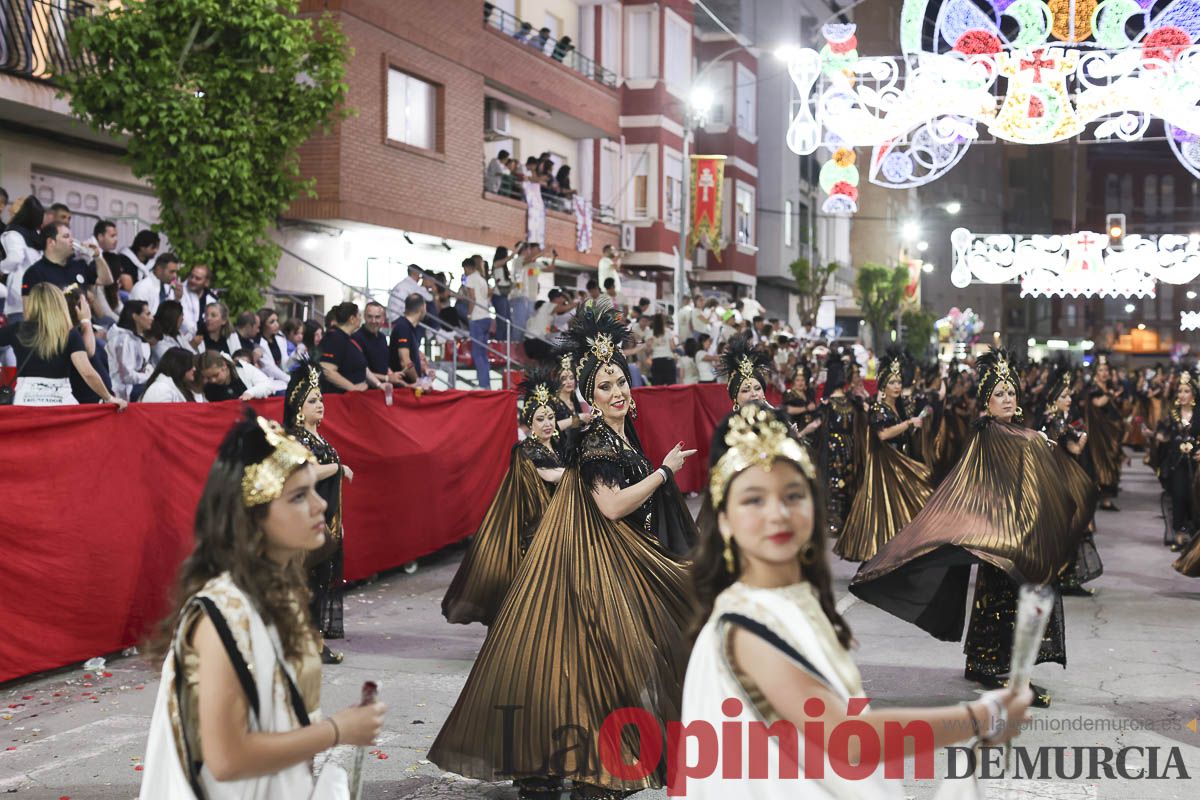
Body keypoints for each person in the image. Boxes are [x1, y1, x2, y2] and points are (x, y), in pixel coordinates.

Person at [680, 403, 1032, 799]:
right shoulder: (748, 627)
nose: (777, 514)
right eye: (753, 500)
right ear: (724, 518)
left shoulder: (786, 601)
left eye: (792, 494)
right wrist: (982, 716)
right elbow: (849, 740)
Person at [429, 307, 699, 799]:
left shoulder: (618, 436)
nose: (617, 391)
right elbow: (612, 506)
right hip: (597, 568)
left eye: (620, 380)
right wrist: (664, 471)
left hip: (615, 563)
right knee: (596, 664)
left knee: (602, 666)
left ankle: (584, 758)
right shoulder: (598, 442)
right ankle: (592, 764)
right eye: (604, 386)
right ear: (589, 398)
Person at [138, 412, 384, 797]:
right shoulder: (221, 614)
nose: (320, 506)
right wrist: (338, 731)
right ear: (252, 518)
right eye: (299, 496)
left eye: (313, 491)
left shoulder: (279, 591)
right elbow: (227, 759)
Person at [851, 347, 1095, 708]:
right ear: (987, 402)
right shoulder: (1011, 438)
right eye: (1000, 394)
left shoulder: (1006, 434)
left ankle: (982, 663)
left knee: (995, 603)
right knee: (1019, 608)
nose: (1008, 398)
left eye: (1011, 392)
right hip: (1007, 541)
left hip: (1004, 538)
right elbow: (972, 488)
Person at [442, 366, 566, 626]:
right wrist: (577, 474)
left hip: (555, 524)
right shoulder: (526, 450)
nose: (547, 424)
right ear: (529, 422)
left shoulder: (555, 448)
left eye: (551, 417)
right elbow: (549, 477)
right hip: (535, 529)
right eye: (541, 418)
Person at [284, 362, 355, 665]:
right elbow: (306, 472)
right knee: (307, 582)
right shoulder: (298, 437)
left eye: (321, 399)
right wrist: (339, 467)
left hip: (327, 521)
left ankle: (313, 641)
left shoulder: (318, 437)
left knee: (320, 581)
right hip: (305, 523)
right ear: (298, 407)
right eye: (313, 400)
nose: (320, 405)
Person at [835, 349, 933, 562]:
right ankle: (882, 555)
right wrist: (907, 424)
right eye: (892, 382)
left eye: (899, 381)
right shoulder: (879, 408)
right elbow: (883, 434)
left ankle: (899, 553)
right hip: (887, 469)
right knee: (886, 512)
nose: (897, 386)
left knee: (902, 510)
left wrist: (913, 425)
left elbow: (899, 432)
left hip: (900, 465)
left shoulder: (897, 408)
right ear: (883, 387)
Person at [0, 283, 125, 408]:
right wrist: (108, 397)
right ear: (59, 303)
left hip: (24, 401)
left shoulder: (16, 329)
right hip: (61, 402)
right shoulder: (69, 334)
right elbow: (87, 372)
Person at [1039, 366, 1102, 593]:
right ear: (1053, 399)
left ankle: (1067, 577)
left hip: (1070, 479)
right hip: (1060, 482)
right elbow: (1075, 449)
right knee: (1069, 527)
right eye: (1063, 396)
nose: (1068, 399)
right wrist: (1083, 435)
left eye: (1069, 395)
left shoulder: (1063, 419)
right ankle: (1061, 577)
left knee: (1074, 528)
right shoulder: (1052, 422)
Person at [812, 351, 864, 534]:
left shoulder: (835, 403)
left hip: (839, 447)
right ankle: (839, 520)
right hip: (842, 447)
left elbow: (816, 424)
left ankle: (841, 521)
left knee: (840, 482)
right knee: (841, 482)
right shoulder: (845, 403)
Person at [1081, 352, 1126, 511]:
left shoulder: (1110, 387)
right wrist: (1109, 395)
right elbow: (1098, 403)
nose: (1104, 373)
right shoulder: (1093, 388)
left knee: (1112, 460)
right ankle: (1100, 497)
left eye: (1106, 370)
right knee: (1100, 462)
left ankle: (1106, 498)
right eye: (1101, 370)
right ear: (1095, 373)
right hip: (1098, 435)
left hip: (1111, 433)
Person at [1, 196, 50, 328]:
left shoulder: (13, 234)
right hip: (37, 297)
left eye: (20, 202)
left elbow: (15, 257)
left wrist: (1, 268)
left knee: (14, 341)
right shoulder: (37, 238)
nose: (15, 201)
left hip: (17, 295)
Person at [320, 302, 383, 394]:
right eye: (359, 316)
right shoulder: (335, 338)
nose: (361, 319)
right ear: (352, 319)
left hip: (354, 397)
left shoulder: (349, 339)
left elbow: (362, 368)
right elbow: (327, 370)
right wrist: (353, 388)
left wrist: (379, 384)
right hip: (340, 399)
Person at [107, 300, 156, 401]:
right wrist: (150, 377)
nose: (152, 318)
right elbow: (126, 376)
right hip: (121, 393)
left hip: (130, 389)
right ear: (135, 316)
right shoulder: (123, 340)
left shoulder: (133, 338)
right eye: (147, 314)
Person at [462, 259, 493, 389]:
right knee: (483, 353)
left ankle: (483, 384)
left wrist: (469, 314)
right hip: (486, 317)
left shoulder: (470, 278)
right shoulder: (482, 279)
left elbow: (472, 299)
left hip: (477, 318)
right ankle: (486, 383)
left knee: (477, 353)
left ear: (466, 268)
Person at [199, 349, 274, 402]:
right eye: (208, 378)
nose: (213, 380)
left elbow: (267, 385)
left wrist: (250, 393)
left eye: (215, 375)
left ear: (224, 365)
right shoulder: (207, 387)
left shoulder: (242, 368)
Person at [352, 301, 392, 385]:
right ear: (364, 317)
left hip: (384, 387)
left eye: (377, 317)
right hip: (365, 390)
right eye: (370, 317)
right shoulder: (356, 338)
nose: (373, 321)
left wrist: (391, 374)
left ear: (383, 319)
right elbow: (362, 372)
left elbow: (383, 365)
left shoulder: (382, 337)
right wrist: (388, 378)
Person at [390, 293, 428, 383]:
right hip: (403, 390)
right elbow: (405, 361)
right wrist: (419, 383)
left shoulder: (408, 327)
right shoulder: (403, 328)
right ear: (422, 308)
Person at [179, 263, 217, 338]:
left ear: (206, 282)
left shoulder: (212, 300)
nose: (193, 280)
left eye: (197, 279)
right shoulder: (180, 291)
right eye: (191, 276)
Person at [646, 313, 678, 386]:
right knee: (671, 386)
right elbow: (673, 347)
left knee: (657, 386)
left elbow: (648, 350)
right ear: (664, 321)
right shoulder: (668, 331)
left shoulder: (650, 333)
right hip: (668, 360)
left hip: (656, 361)